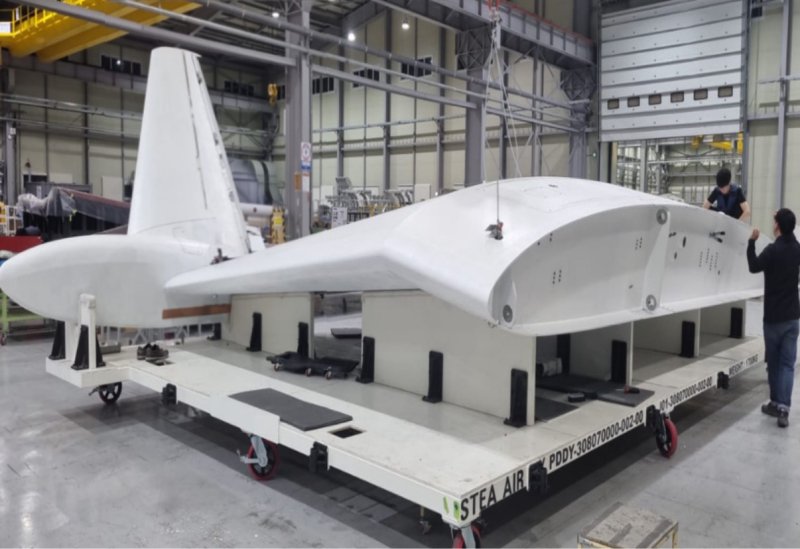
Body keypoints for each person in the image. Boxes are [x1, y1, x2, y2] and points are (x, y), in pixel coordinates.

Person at [747, 209, 800, 427]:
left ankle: (775, 402)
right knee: (788, 364)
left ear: (777, 225)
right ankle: (783, 410)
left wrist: (751, 242)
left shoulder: (771, 250)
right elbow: (791, 239)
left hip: (772, 318)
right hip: (792, 317)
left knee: (774, 363)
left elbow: (753, 266)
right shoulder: (797, 248)